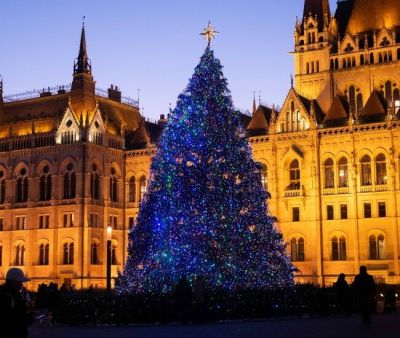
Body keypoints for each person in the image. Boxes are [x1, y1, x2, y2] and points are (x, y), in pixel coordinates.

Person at [0, 268, 32, 338]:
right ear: (13, 282)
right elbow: (9, 319)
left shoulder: (12, 294)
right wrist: (27, 319)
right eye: (19, 282)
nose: (21, 285)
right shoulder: (7, 296)